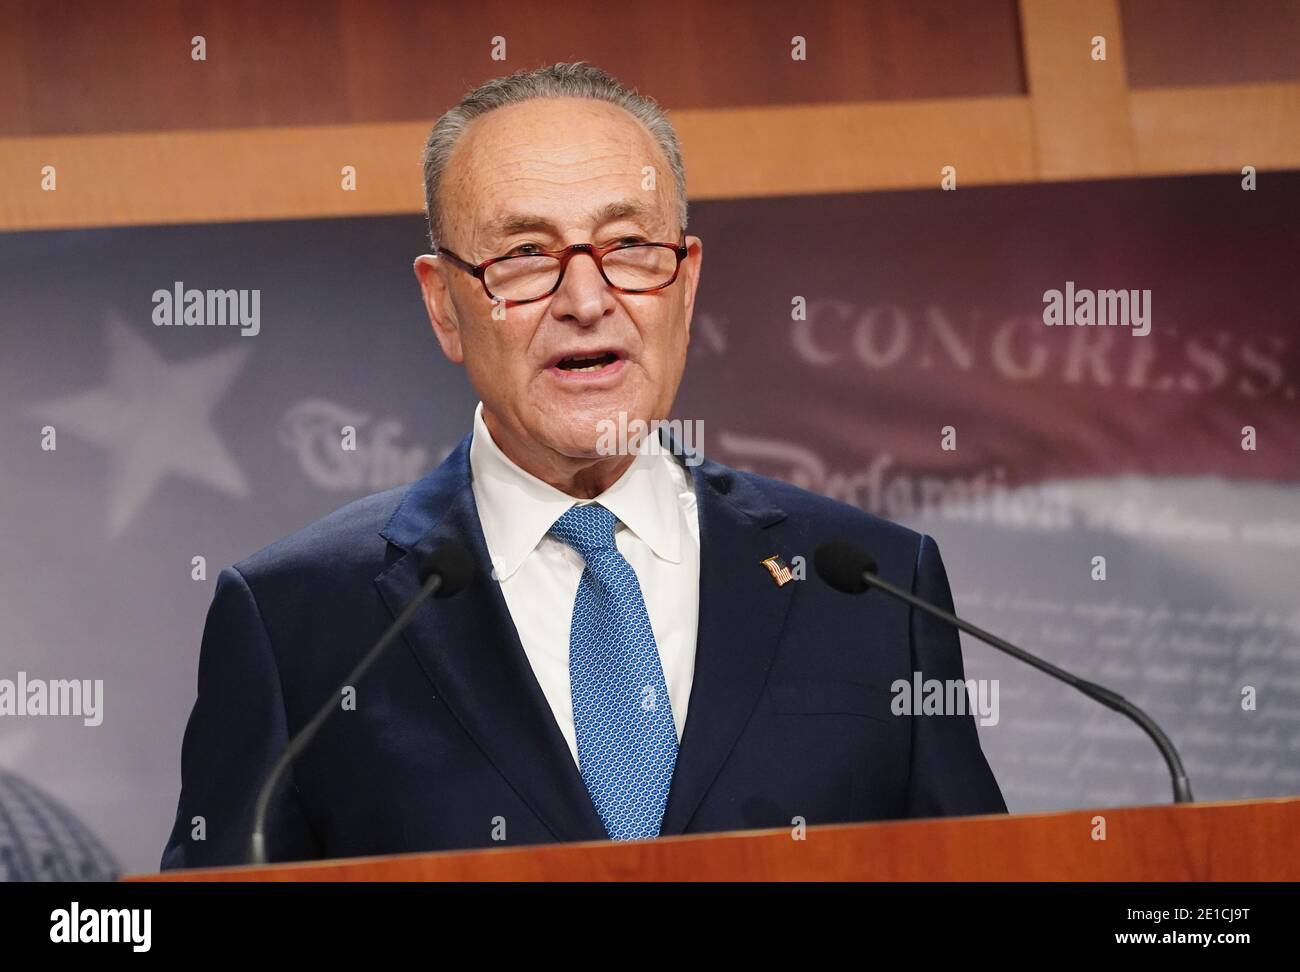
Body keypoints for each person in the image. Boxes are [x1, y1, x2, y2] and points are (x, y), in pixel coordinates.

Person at [161, 61, 1004, 870]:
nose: (587, 298)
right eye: (525, 255)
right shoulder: (297, 619)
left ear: (686, 281)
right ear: (443, 306)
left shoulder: (871, 586)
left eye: (629, 244)